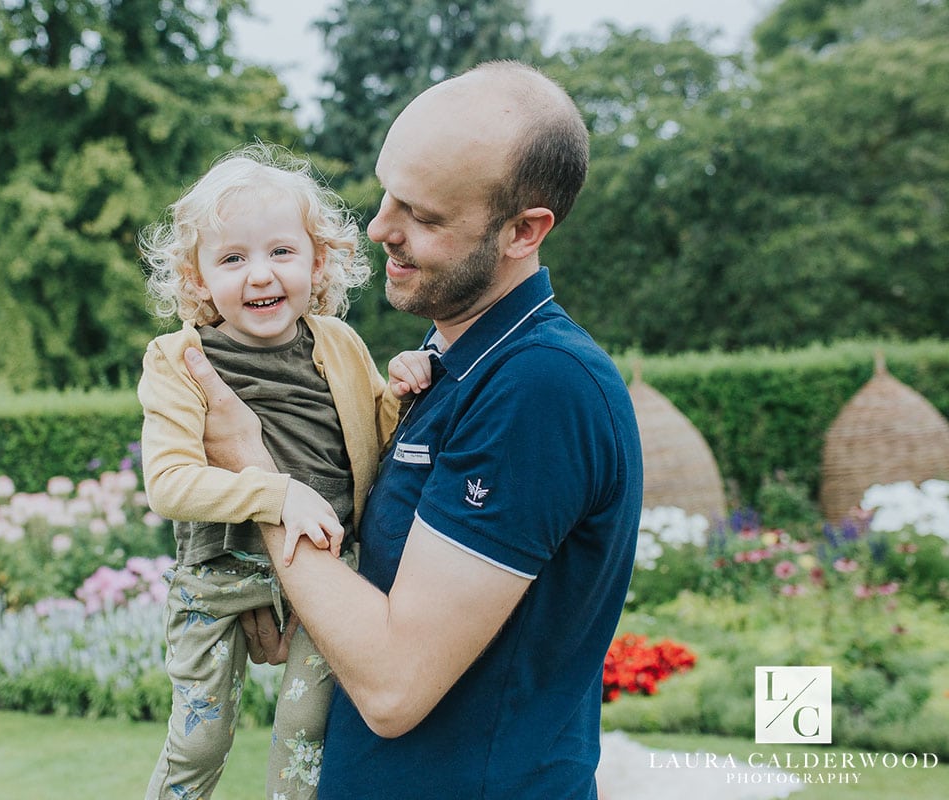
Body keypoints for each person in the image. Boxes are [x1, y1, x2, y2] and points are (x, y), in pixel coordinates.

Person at [181, 61, 644, 799]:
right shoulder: (438, 364)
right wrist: (292, 602)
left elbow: (396, 686)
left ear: (524, 231)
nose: (379, 228)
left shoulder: (540, 386)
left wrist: (252, 473)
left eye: (424, 217)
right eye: (388, 191)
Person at [136, 144, 431, 800]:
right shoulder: (178, 359)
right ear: (197, 278)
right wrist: (277, 494)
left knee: (306, 732)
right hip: (215, 583)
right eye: (233, 258)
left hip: (326, 574)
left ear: (317, 260)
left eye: (280, 252)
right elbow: (169, 483)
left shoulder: (340, 345)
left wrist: (403, 391)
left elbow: (372, 438)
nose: (260, 275)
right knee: (198, 741)